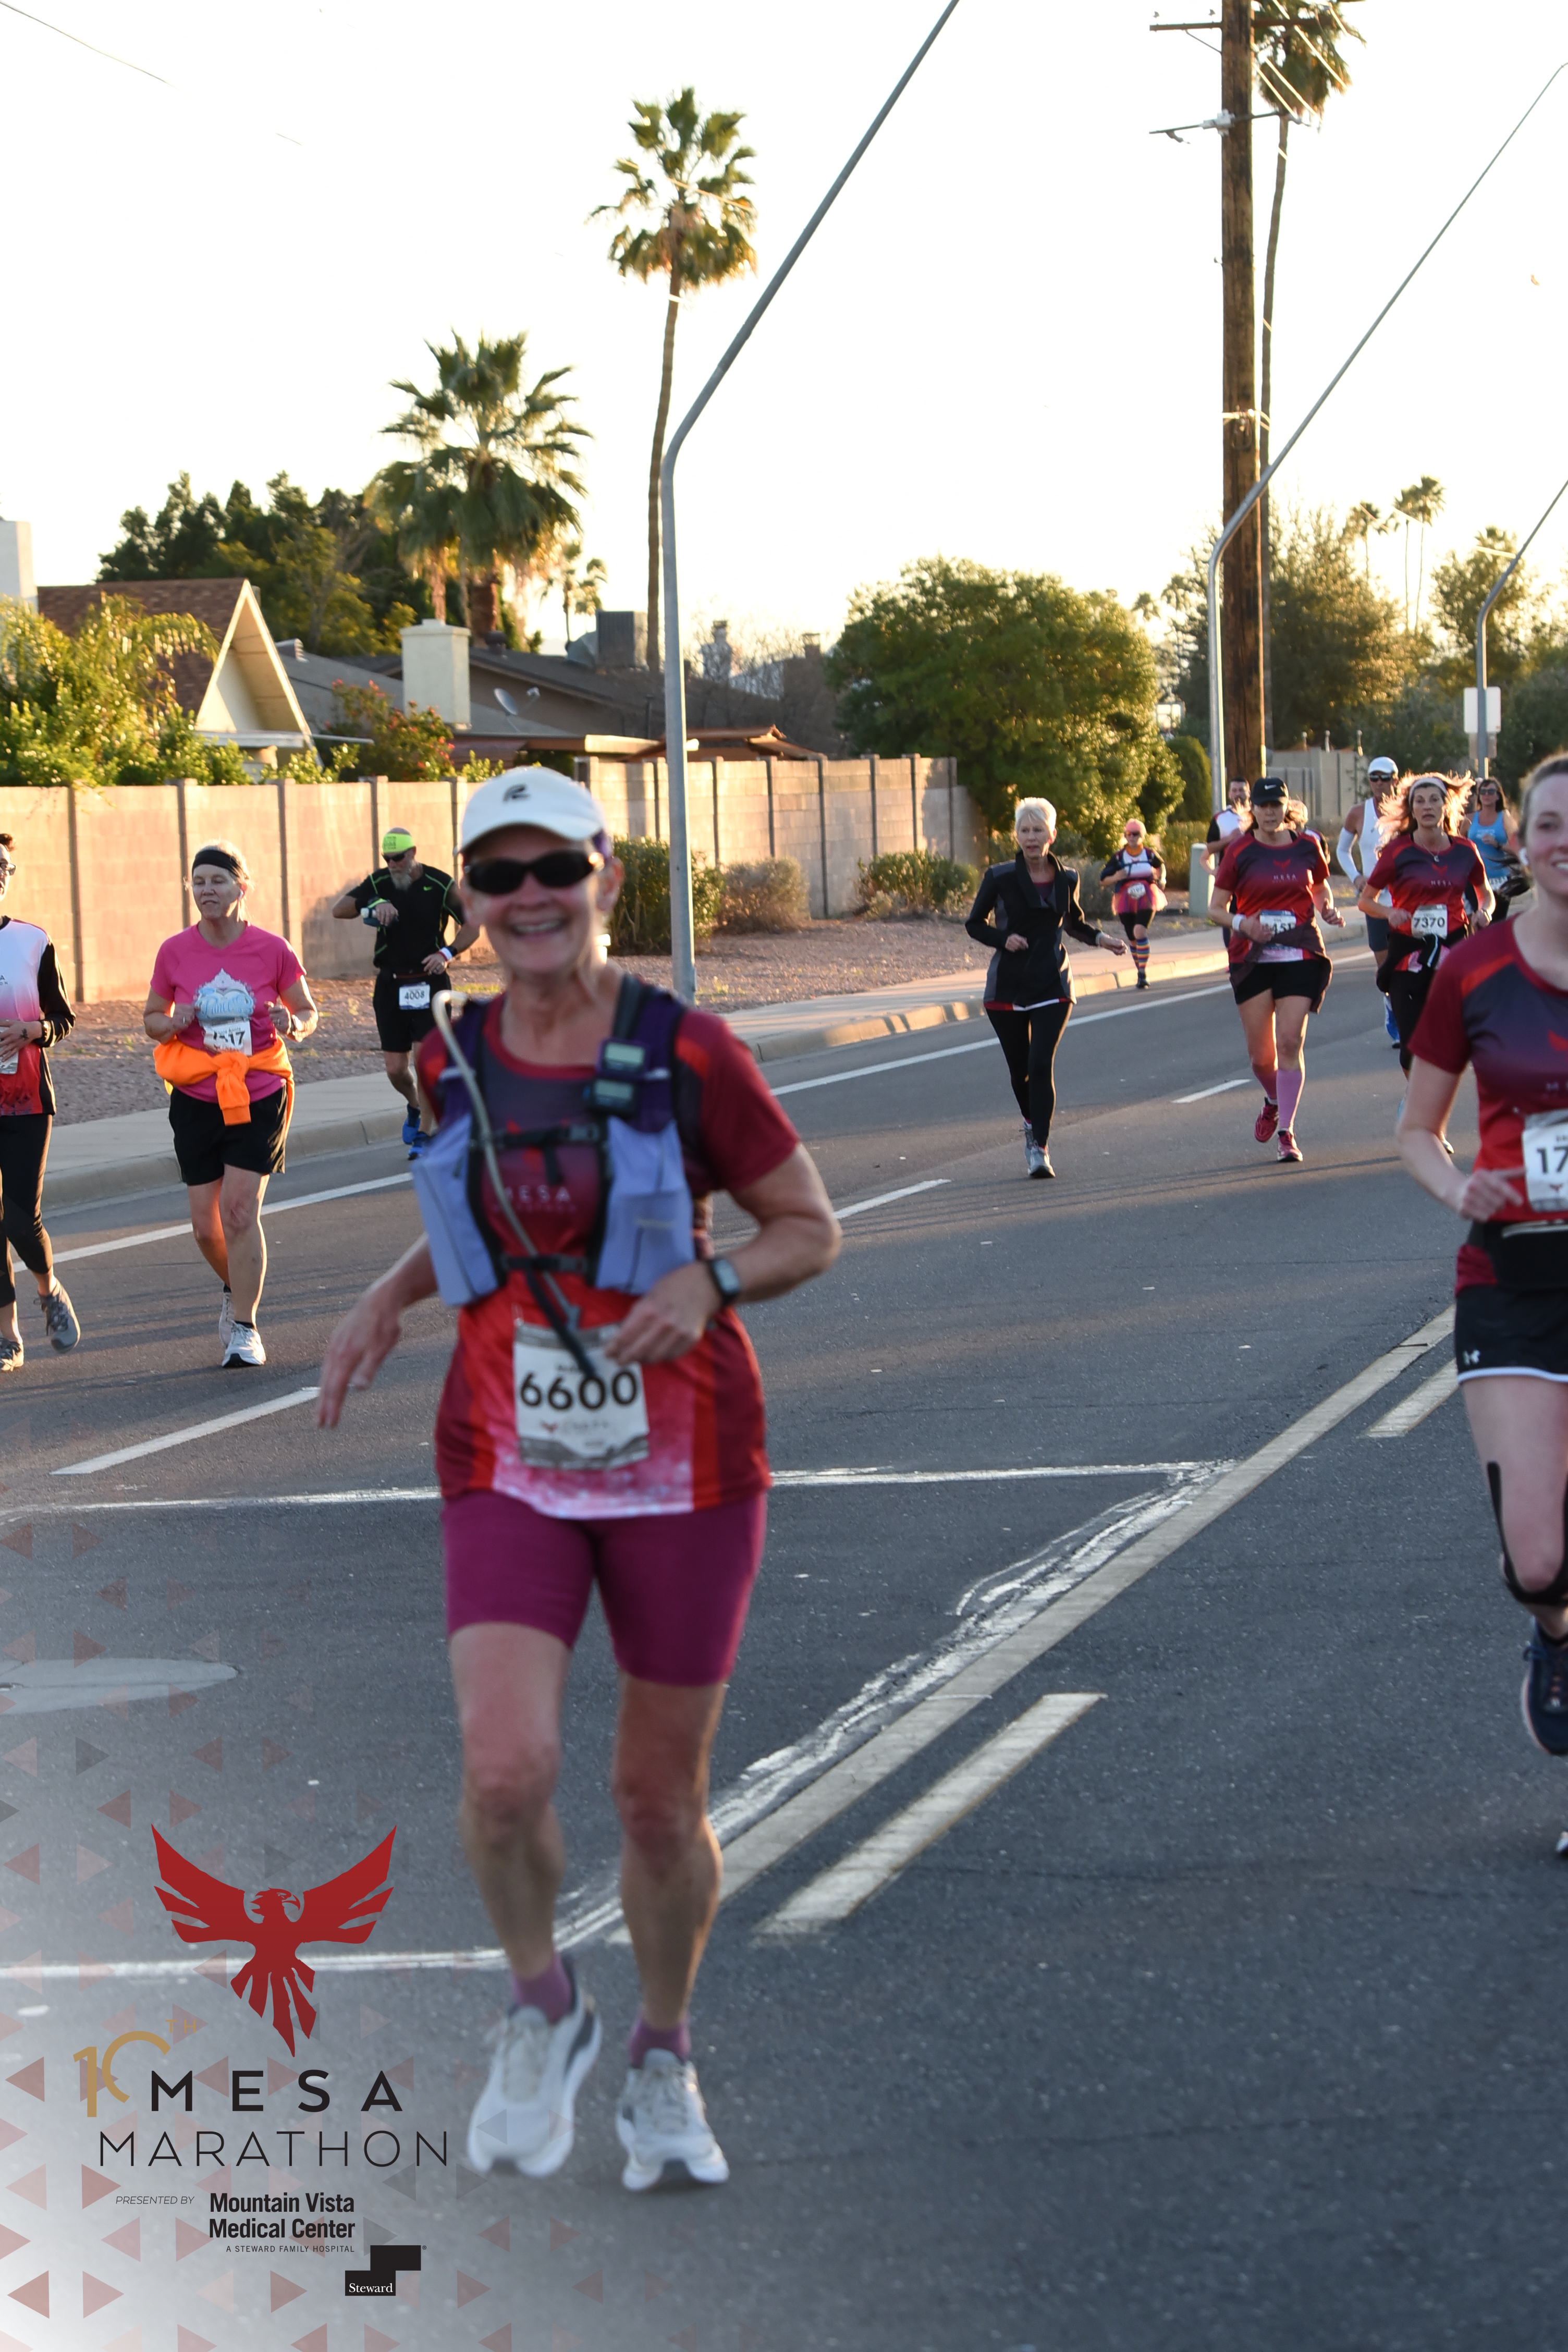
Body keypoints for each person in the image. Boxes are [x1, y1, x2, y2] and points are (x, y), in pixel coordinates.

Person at [316, 768, 840, 2192]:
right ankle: (542, 2003)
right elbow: (485, 1211)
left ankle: (662, 2054)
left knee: (656, 1801)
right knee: (504, 1772)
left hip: (687, 1465)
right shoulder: (451, 1055)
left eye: (555, 866)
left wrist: (713, 1280)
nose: (529, 895)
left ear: (607, 875)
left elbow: (807, 1227)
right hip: (508, 1454)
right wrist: (386, 1295)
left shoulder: (690, 1051)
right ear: (470, 902)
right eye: (498, 875)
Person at [1397, 752, 1568, 1758]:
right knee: (1537, 1561)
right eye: (1549, 825)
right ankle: (1554, 1636)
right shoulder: (1473, 969)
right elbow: (1416, 1130)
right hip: (1510, 1277)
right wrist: (1460, 1187)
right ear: (1522, 840)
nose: (1565, 844)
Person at [143, 841, 318, 1368]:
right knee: (206, 1228)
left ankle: (245, 1328)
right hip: (197, 1094)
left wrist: (294, 1024)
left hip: (258, 1089)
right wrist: (172, 1022)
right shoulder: (175, 951)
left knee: (239, 1211)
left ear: (242, 887)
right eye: (198, 882)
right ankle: (236, 1284)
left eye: (218, 881)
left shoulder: (272, 949)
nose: (207, 890)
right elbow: (151, 1018)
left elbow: (307, 1011)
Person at [964, 796, 1129, 1179]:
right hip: (1007, 987)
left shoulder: (1067, 878)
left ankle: (1039, 1147)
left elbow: (1074, 923)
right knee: (1019, 1070)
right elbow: (974, 924)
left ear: (1052, 835)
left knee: (1040, 1064)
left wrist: (1102, 939)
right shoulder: (999, 877)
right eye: (1025, 830)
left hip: (1053, 982)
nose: (1031, 837)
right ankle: (1030, 1120)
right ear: (1016, 835)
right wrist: (1003, 939)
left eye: (1038, 830)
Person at [1211, 777, 1346, 1164]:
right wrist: (1245, 924)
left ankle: (1287, 1132)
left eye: (1276, 805)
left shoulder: (1307, 846)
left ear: (1287, 807)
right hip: (1252, 955)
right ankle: (1273, 1099)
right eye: (1263, 806)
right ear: (1253, 810)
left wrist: (1326, 908)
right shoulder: (1240, 851)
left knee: (1289, 1042)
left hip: (1299, 951)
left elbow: (1320, 887)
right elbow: (1216, 909)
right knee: (1261, 1058)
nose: (1270, 813)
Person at [333, 828, 478, 1158]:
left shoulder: (439, 884)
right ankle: (415, 1106)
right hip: (391, 984)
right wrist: (373, 901)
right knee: (395, 1069)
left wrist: (447, 953)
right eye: (387, 858)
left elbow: (472, 926)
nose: (392, 864)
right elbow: (339, 910)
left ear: (413, 852)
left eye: (398, 858)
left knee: (424, 1061)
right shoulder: (380, 882)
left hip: (429, 982)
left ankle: (424, 1133)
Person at [0, 833, 81, 1372]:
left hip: (26, 1100)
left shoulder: (33, 941)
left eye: (4, 866)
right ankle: (7, 1336)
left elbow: (63, 1019)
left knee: (19, 1217)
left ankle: (49, 1291)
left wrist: (33, 1030)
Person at [1357, 774, 1491, 1094]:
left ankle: (1428, 1107)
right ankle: (1419, 1099)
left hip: (1453, 948)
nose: (1428, 806)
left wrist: (1484, 910)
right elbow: (1365, 901)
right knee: (1411, 1046)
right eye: (1420, 801)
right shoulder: (1397, 852)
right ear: (1412, 809)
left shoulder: (1465, 851)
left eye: (1434, 800)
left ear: (1447, 806)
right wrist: (1390, 912)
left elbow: (1484, 892)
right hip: (1408, 953)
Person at [1337, 753, 1403, 1044]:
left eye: (1384, 778)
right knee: (1384, 963)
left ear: (1395, 780)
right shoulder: (1358, 813)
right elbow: (1341, 850)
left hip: (1405, 897)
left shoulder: (1407, 810)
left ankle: (1406, 1018)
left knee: (1409, 960)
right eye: (1373, 778)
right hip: (1375, 899)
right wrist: (1356, 877)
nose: (1378, 783)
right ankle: (1391, 1006)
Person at [1099, 817, 1167, 990]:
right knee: (1132, 937)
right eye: (1128, 834)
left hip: (1147, 896)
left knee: (1140, 931)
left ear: (1142, 836)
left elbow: (1161, 866)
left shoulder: (1149, 854)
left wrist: (1162, 879)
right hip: (1125, 899)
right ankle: (1140, 971)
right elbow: (1103, 879)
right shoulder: (1119, 857)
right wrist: (1117, 877)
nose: (1131, 837)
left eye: (1135, 834)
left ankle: (1143, 973)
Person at [1466, 777, 1525, 917]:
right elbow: (1458, 844)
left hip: (1499, 879)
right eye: (1483, 792)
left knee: (1497, 922)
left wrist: (1498, 845)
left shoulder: (1504, 818)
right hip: (1476, 880)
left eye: (1491, 792)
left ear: (1498, 796)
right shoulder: (1470, 819)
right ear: (1479, 796)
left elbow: (1518, 849)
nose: (1486, 795)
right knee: (1478, 920)